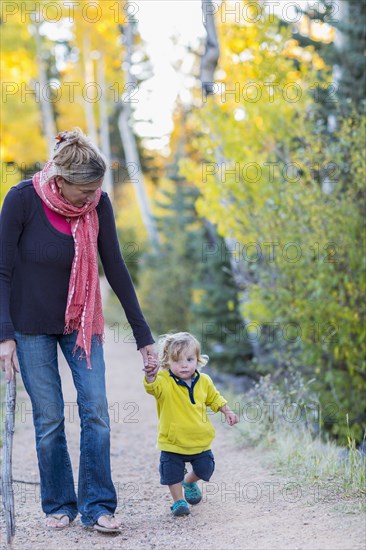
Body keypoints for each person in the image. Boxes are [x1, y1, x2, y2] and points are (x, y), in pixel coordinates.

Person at [0, 128, 158, 533]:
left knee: (97, 410)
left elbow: (115, 267)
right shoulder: (21, 200)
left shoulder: (97, 205)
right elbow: (1, 271)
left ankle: (98, 505)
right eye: (84, 191)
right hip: (30, 326)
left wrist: (143, 337)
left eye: (96, 191)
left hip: (81, 322)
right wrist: (4, 336)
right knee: (50, 417)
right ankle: (58, 504)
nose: (90, 199)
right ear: (60, 180)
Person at [143, 331, 238, 516]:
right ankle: (179, 502)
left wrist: (227, 411)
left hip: (199, 440)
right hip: (173, 441)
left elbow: (214, 398)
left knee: (206, 467)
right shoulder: (164, 380)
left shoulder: (204, 381)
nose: (184, 365)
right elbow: (152, 387)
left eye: (189, 359)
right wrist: (150, 376)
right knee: (171, 473)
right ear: (168, 361)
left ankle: (189, 481)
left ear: (197, 359)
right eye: (177, 361)